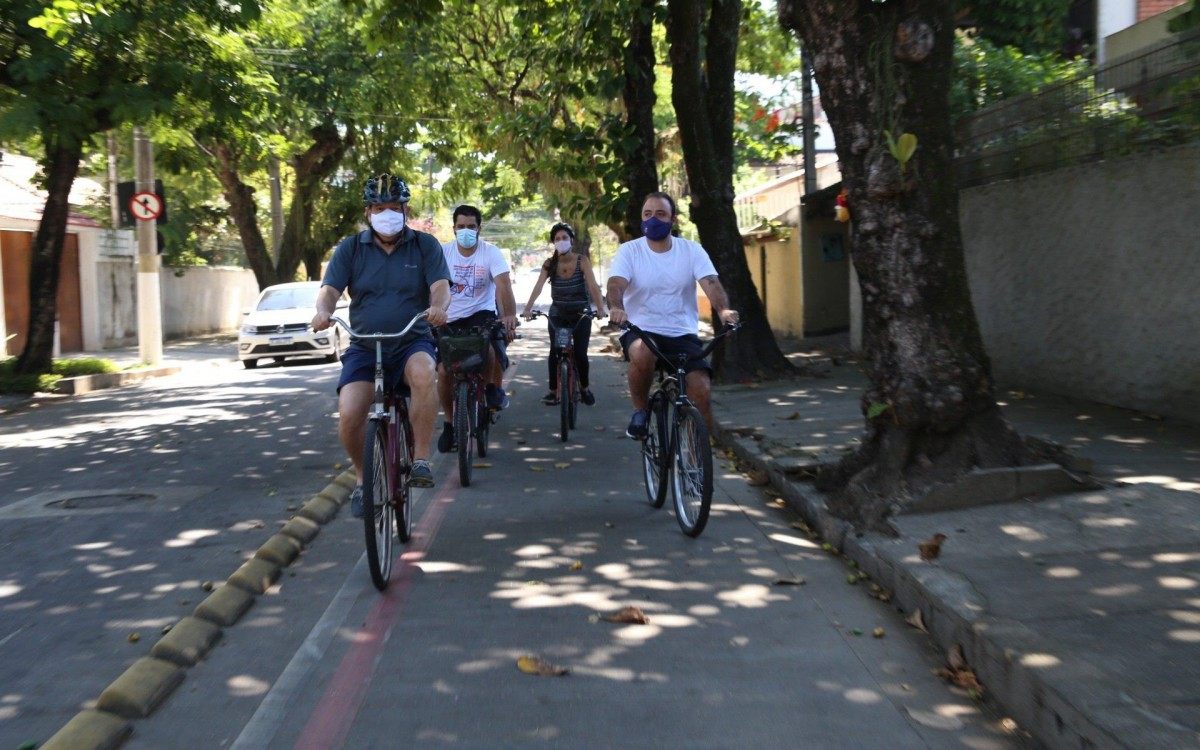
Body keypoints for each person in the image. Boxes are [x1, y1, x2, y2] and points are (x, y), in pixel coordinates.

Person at [311, 173, 450, 517]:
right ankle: (362, 480)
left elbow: (440, 285)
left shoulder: (424, 245)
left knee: (424, 373)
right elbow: (329, 289)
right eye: (379, 207)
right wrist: (322, 311)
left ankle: (419, 459)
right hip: (364, 345)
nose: (386, 212)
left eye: (393, 207)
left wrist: (438, 307)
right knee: (350, 414)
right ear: (368, 212)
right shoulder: (351, 248)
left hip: (410, 341)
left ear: (405, 209)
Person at [606, 192, 739, 439]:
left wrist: (724, 310)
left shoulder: (691, 250)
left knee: (701, 390)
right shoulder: (630, 251)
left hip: (682, 332)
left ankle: (697, 458)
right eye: (647, 214)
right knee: (644, 352)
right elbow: (616, 284)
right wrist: (616, 307)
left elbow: (711, 283)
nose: (653, 219)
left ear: (673, 219)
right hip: (640, 330)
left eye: (660, 214)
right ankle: (640, 411)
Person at [436, 204, 518, 453]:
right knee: (443, 371)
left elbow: (503, 286)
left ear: (479, 228)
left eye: (471, 227)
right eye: (461, 227)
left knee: (490, 348)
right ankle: (450, 423)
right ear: (454, 229)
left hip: (481, 314)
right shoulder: (442, 253)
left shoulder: (491, 253)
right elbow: (430, 286)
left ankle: (492, 389)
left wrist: (509, 317)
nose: (466, 231)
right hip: (448, 317)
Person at [520, 222, 607, 406]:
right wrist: (527, 308)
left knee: (581, 354)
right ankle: (553, 390)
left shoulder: (582, 260)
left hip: (581, 314)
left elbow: (592, 285)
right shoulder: (550, 263)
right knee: (555, 351)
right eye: (557, 239)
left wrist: (600, 308)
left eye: (565, 238)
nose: (561, 241)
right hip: (558, 314)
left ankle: (584, 388)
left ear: (571, 241)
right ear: (554, 243)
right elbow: (538, 286)